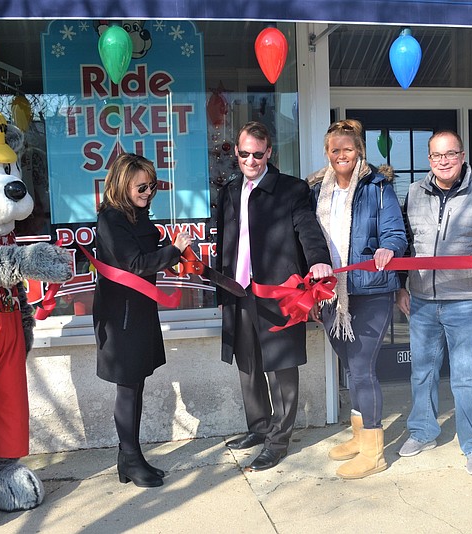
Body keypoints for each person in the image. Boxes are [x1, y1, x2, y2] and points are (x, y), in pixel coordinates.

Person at [396, 130, 472, 476]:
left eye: (451, 154)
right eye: (437, 156)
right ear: (429, 160)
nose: (444, 161)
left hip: (465, 301)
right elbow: (406, 245)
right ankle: (423, 432)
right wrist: (400, 287)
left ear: (463, 156)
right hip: (420, 299)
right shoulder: (414, 193)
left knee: (466, 376)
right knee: (422, 372)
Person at [216, 121, 333, 472]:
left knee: (281, 368)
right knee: (247, 364)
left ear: (269, 152)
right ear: (236, 153)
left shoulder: (291, 189)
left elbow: (307, 228)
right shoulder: (229, 191)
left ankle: (278, 441)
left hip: (278, 293)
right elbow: (223, 238)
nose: (250, 160)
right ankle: (259, 427)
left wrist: (319, 261)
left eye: (257, 153)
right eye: (243, 154)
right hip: (238, 291)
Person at [306, 119, 407, 479]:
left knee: (363, 369)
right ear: (327, 153)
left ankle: (374, 452)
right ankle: (358, 434)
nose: (341, 155)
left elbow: (396, 231)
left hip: (372, 289)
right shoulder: (317, 189)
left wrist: (388, 247)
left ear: (359, 151)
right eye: (335, 150)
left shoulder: (379, 187)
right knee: (350, 368)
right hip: (332, 292)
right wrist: (314, 293)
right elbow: (310, 238)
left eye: (348, 149)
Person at [93, 153, 193, 488]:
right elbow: (135, 263)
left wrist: (171, 252)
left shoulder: (136, 217)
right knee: (128, 386)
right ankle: (131, 459)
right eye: (142, 186)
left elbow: (149, 255)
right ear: (123, 184)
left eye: (152, 186)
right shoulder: (111, 219)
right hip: (120, 315)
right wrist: (173, 251)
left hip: (138, 310)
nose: (149, 191)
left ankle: (129, 459)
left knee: (136, 384)